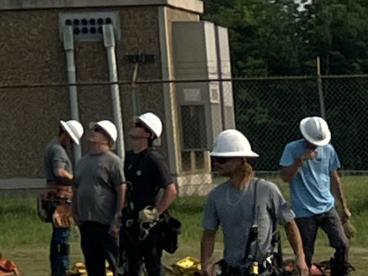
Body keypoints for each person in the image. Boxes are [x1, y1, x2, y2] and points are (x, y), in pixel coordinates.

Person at [202, 129, 306, 276]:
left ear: (239, 160)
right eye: (215, 159)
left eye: (222, 160)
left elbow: (289, 223)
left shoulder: (266, 190)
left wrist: (300, 257)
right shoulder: (215, 196)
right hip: (232, 270)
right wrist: (205, 264)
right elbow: (209, 233)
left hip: (263, 270)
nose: (217, 164)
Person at [280, 117, 351, 276]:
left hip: (327, 206)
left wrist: (343, 207)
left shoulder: (329, 149)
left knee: (342, 244)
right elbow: (285, 177)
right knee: (305, 252)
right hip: (303, 210)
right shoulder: (291, 149)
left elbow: (334, 178)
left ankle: (340, 272)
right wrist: (299, 161)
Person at [122, 115, 178, 276]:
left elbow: (171, 189)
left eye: (139, 125)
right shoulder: (130, 157)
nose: (134, 126)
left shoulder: (153, 159)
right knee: (130, 266)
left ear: (148, 134)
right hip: (131, 219)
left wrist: (155, 214)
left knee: (152, 266)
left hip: (147, 224)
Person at [71, 120, 125, 276]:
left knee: (116, 264)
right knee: (93, 266)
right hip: (87, 223)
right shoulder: (82, 162)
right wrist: (74, 210)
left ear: (107, 138)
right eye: (93, 129)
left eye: (98, 130)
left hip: (106, 223)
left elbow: (121, 188)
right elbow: (76, 187)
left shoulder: (113, 161)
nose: (93, 131)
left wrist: (117, 217)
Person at [41, 119, 81, 276]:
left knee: (57, 237)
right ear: (65, 134)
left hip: (53, 198)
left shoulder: (51, 145)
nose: (70, 143)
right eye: (71, 139)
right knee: (62, 238)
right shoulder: (58, 150)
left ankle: (56, 270)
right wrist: (75, 180)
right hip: (60, 200)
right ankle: (61, 270)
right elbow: (59, 171)